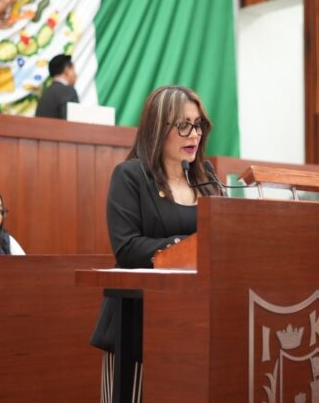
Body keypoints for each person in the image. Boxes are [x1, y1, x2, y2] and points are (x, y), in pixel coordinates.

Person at [90, 86, 219, 402]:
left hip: (196, 324)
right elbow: (127, 248)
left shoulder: (206, 176)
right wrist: (185, 246)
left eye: (198, 124)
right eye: (183, 125)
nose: (194, 134)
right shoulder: (131, 175)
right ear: (158, 127)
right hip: (138, 324)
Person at [35, 54, 79, 119]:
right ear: (67, 69)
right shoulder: (68, 91)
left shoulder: (44, 95)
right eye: (73, 70)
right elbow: (73, 121)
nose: (76, 75)